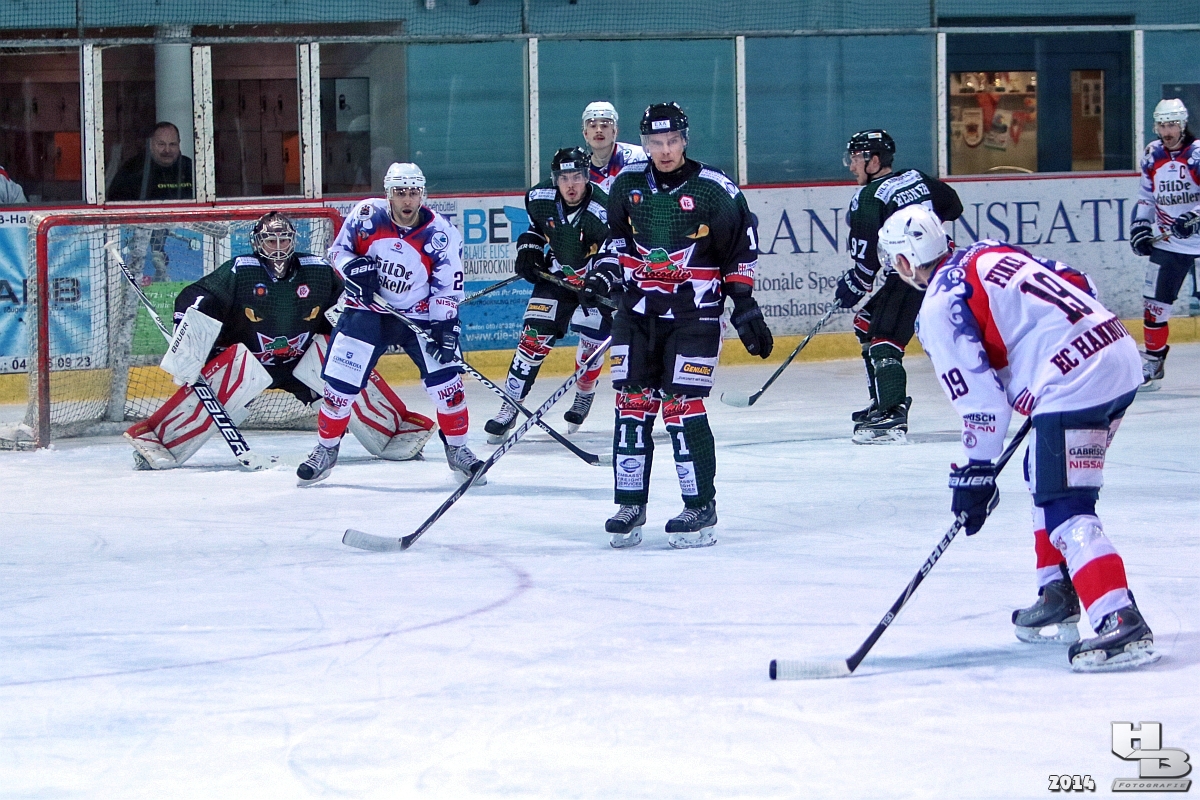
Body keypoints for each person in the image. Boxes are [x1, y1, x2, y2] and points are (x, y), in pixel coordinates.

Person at [879, 204, 1157, 672]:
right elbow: (1079, 281)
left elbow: (984, 405)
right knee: (1039, 469)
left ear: (905, 261)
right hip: (1117, 354)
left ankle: (1118, 616)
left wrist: (976, 472)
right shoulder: (989, 251)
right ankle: (1057, 590)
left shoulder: (938, 307)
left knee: (1065, 502)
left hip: (1074, 382)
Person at [585, 102, 773, 549]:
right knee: (631, 404)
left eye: (672, 141)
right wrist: (604, 275)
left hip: (695, 316)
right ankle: (630, 503)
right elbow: (615, 242)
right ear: (644, 144)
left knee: (681, 406)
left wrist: (744, 303)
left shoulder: (714, 188)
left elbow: (740, 249)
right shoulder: (627, 184)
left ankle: (699, 505)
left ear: (685, 140)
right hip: (636, 314)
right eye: (656, 142)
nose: (665, 150)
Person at [126, 211, 434, 469]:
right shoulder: (241, 270)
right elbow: (196, 296)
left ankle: (394, 431)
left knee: (341, 360)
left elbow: (346, 309)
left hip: (302, 361)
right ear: (257, 242)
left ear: (293, 241)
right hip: (250, 363)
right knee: (231, 370)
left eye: (283, 239)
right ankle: (160, 441)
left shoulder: (317, 270)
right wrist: (187, 334)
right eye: (270, 240)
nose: (277, 246)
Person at [297, 162, 482, 486]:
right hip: (366, 310)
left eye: (413, 192)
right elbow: (338, 251)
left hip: (419, 313)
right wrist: (353, 267)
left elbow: (447, 287)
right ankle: (326, 450)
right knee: (338, 389)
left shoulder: (441, 234)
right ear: (388, 194)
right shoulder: (366, 216)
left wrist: (444, 325)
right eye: (400, 192)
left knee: (448, 386)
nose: (407, 200)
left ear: (422, 194)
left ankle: (458, 449)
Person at [834, 129, 963, 444]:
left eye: (855, 158)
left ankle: (892, 414)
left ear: (874, 160)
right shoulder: (916, 178)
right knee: (866, 323)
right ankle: (882, 400)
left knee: (884, 337)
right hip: (940, 265)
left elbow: (866, 266)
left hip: (917, 274)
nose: (851, 165)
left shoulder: (869, 197)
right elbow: (953, 205)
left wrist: (853, 284)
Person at [485, 147, 612, 442]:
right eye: (563, 178)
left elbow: (614, 252)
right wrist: (529, 248)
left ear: (587, 176)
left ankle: (584, 393)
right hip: (557, 278)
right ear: (555, 179)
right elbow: (535, 230)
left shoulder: (604, 208)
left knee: (591, 345)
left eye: (577, 177)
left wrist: (602, 280)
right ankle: (509, 406)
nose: (570, 185)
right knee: (532, 338)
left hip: (594, 284)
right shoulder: (538, 197)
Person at [1129, 98, 1200, 391]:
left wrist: (1194, 216)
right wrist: (1140, 226)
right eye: (1162, 125)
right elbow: (1147, 197)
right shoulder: (1152, 154)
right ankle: (1153, 363)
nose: (1167, 131)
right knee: (1154, 306)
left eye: (1172, 125)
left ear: (1182, 125)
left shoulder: (1197, 154)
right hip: (1169, 243)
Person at [108, 121, 195, 201]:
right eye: (161, 144)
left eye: (172, 144)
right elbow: (116, 205)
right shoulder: (132, 170)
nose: (167, 150)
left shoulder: (191, 168)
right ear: (150, 144)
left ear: (179, 143)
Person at [581, 101, 647, 193]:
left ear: (615, 132)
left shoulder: (637, 157)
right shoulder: (582, 172)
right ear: (585, 134)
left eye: (604, 126)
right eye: (593, 126)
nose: (599, 130)